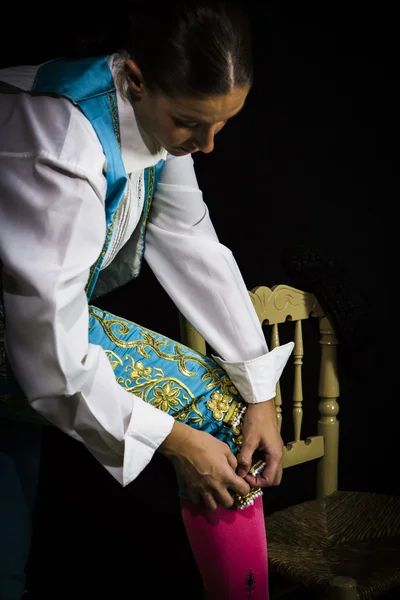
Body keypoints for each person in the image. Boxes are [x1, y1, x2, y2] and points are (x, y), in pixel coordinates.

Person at [0, 1, 294, 598]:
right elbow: (47, 356)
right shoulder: (60, 142)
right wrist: (176, 442)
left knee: (7, 519)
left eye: (224, 124)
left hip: (29, 317)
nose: (208, 145)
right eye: (192, 123)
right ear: (136, 78)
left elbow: (190, 240)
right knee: (212, 406)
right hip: (21, 323)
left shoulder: (157, 116)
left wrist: (262, 392)